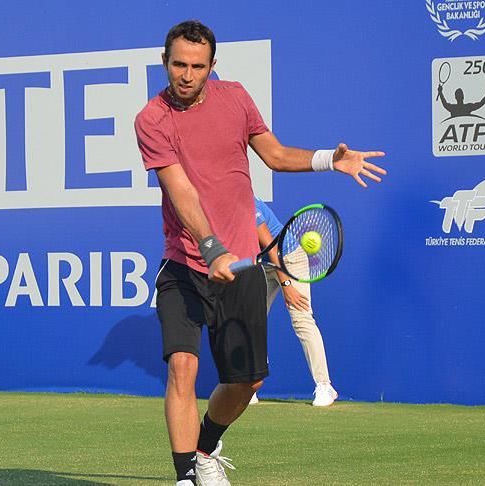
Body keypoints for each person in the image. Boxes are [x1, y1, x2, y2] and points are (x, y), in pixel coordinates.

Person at [134, 20, 386, 486]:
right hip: (184, 265)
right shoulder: (151, 118)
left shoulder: (235, 98)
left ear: (212, 65)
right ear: (164, 61)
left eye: (197, 67)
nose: (187, 75)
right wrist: (211, 248)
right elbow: (180, 190)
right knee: (182, 367)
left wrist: (330, 159)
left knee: (246, 382)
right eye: (178, 65)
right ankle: (184, 477)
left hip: (241, 270)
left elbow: (275, 154)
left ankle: (205, 449)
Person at [250, 196, 338, 407]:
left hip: (288, 258)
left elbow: (272, 249)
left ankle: (325, 385)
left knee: (301, 320)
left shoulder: (248, 205)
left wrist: (287, 285)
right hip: (261, 264)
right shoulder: (219, 205)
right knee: (250, 321)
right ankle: (248, 385)